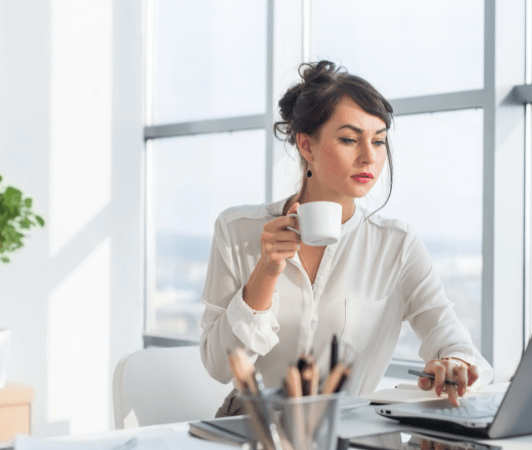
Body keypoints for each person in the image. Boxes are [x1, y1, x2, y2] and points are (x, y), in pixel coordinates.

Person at [199, 60, 494, 417]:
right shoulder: (238, 231)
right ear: (306, 146)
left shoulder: (396, 245)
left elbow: (452, 337)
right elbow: (218, 365)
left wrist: (453, 362)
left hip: (349, 431)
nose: (369, 156)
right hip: (254, 429)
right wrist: (266, 272)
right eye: (350, 139)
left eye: (380, 141)